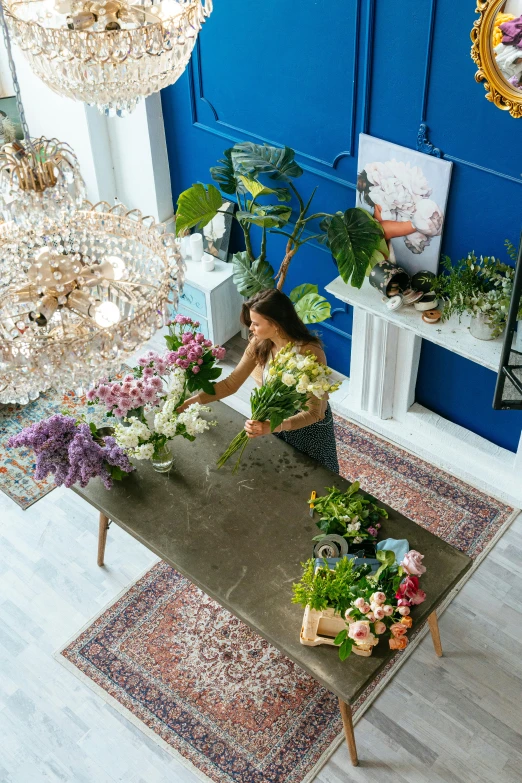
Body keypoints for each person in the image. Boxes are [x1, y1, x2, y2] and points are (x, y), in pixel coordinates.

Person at [177, 288, 339, 472]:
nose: (250, 328)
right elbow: (231, 384)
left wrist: (271, 427)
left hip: (308, 429)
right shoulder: (259, 343)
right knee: (285, 472)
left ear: (275, 324)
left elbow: (314, 413)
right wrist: (192, 401)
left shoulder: (309, 352)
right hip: (275, 420)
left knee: (319, 477)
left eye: (255, 324)